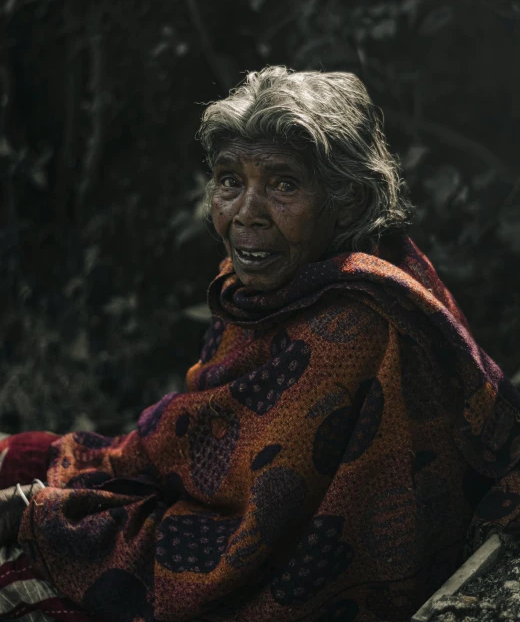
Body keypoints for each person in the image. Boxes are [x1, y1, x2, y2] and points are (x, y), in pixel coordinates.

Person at [1, 66, 520, 622]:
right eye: (230, 181)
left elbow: (246, 546)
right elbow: (201, 450)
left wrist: (42, 518)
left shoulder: (355, 324)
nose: (246, 213)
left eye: (283, 184)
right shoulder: (274, 285)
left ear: (346, 201)